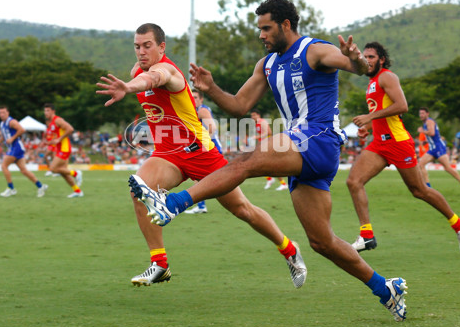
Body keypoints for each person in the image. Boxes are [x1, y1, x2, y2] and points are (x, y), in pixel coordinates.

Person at [127, 0, 408, 322]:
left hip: (317, 138)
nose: (261, 34)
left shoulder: (314, 50)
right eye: (259, 28)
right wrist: (212, 88)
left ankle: (174, 203)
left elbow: (355, 67)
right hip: (302, 151)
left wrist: (356, 59)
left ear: (285, 25)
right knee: (322, 242)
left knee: (247, 160)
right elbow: (238, 106)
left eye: (266, 28)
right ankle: (385, 288)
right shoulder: (267, 64)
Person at [96, 22, 307, 289]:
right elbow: (142, 77)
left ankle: (289, 249)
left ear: (161, 47)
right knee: (139, 190)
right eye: (137, 46)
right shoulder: (136, 70)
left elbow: (154, 78)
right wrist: (131, 83)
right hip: (168, 155)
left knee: (243, 210)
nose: (141, 51)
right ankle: (160, 264)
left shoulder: (167, 70)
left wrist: (128, 87)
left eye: (147, 45)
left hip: (200, 153)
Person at [346, 42, 460, 255]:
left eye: (372, 57)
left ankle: (459, 225)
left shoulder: (387, 77)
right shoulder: (372, 82)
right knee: (353, 181)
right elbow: (382, 112)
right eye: (365, 57)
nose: (367, 60)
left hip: (398, 142)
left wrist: (369, 117)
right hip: (380, 144)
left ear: (381, 59)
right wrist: (366, 127)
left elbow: (402, 106)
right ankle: (367, 236)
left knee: (419, 190)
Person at [184, 89, 222, 214]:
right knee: (199, 177)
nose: (193, 99)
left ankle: (201, 206)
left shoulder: (202, 110)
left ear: (201, 99)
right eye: (191, 97)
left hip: (210, 146)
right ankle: (201, 206)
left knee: (219, 180)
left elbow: (212, 128)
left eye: (195, 97)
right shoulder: (196, 111)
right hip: (207, 146)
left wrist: (201, 145)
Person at [0, 106, 47, 198]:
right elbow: (4, 135)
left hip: (16, 147)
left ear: (8, 113)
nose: (1, 114)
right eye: (0, 113)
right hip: (15, 148)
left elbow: (22, 130)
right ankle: (41, 186)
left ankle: (11, 189)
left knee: (4, 166)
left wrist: (12, 138)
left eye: (3, 112)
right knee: (24, 171)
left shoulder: (12, 122)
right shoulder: (2, 124)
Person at [418, 107, 460, 196]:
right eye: (420, 113)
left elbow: (432, 133)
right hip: (432, 148)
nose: (421, 115)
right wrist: (427, 141)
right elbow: (435, 135)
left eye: (423, 113)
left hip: (438, 148)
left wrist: (422, 131)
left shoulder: (429, 121)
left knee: (447, 168)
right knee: (421, 164)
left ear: (427, 114)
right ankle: (428, 188)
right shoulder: (426, 123)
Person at [40, 103, 83, 198]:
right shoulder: (51, 123)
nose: (45, 112)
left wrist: (59, 139)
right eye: (45, 111)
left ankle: (76, 173)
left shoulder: (58, 120)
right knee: (63, 173)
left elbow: (70, 129)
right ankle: (77, 191)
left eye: (48, 110)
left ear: (53, 111)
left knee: (53, 169)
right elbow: (56, 137)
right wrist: (48, 143)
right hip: (60, 148)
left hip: (65, 148)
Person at [250, 109, 287, 191]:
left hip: (267, 146)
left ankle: (283, 184)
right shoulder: (257, 123)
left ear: (258, 115)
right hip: (262, 145)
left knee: (272, 165)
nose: (252, 117)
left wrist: (256, 137)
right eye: (251, 116)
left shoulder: (262, 122)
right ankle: (271, 179)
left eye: (254, 115)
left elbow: (269, 132)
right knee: (260, 163)